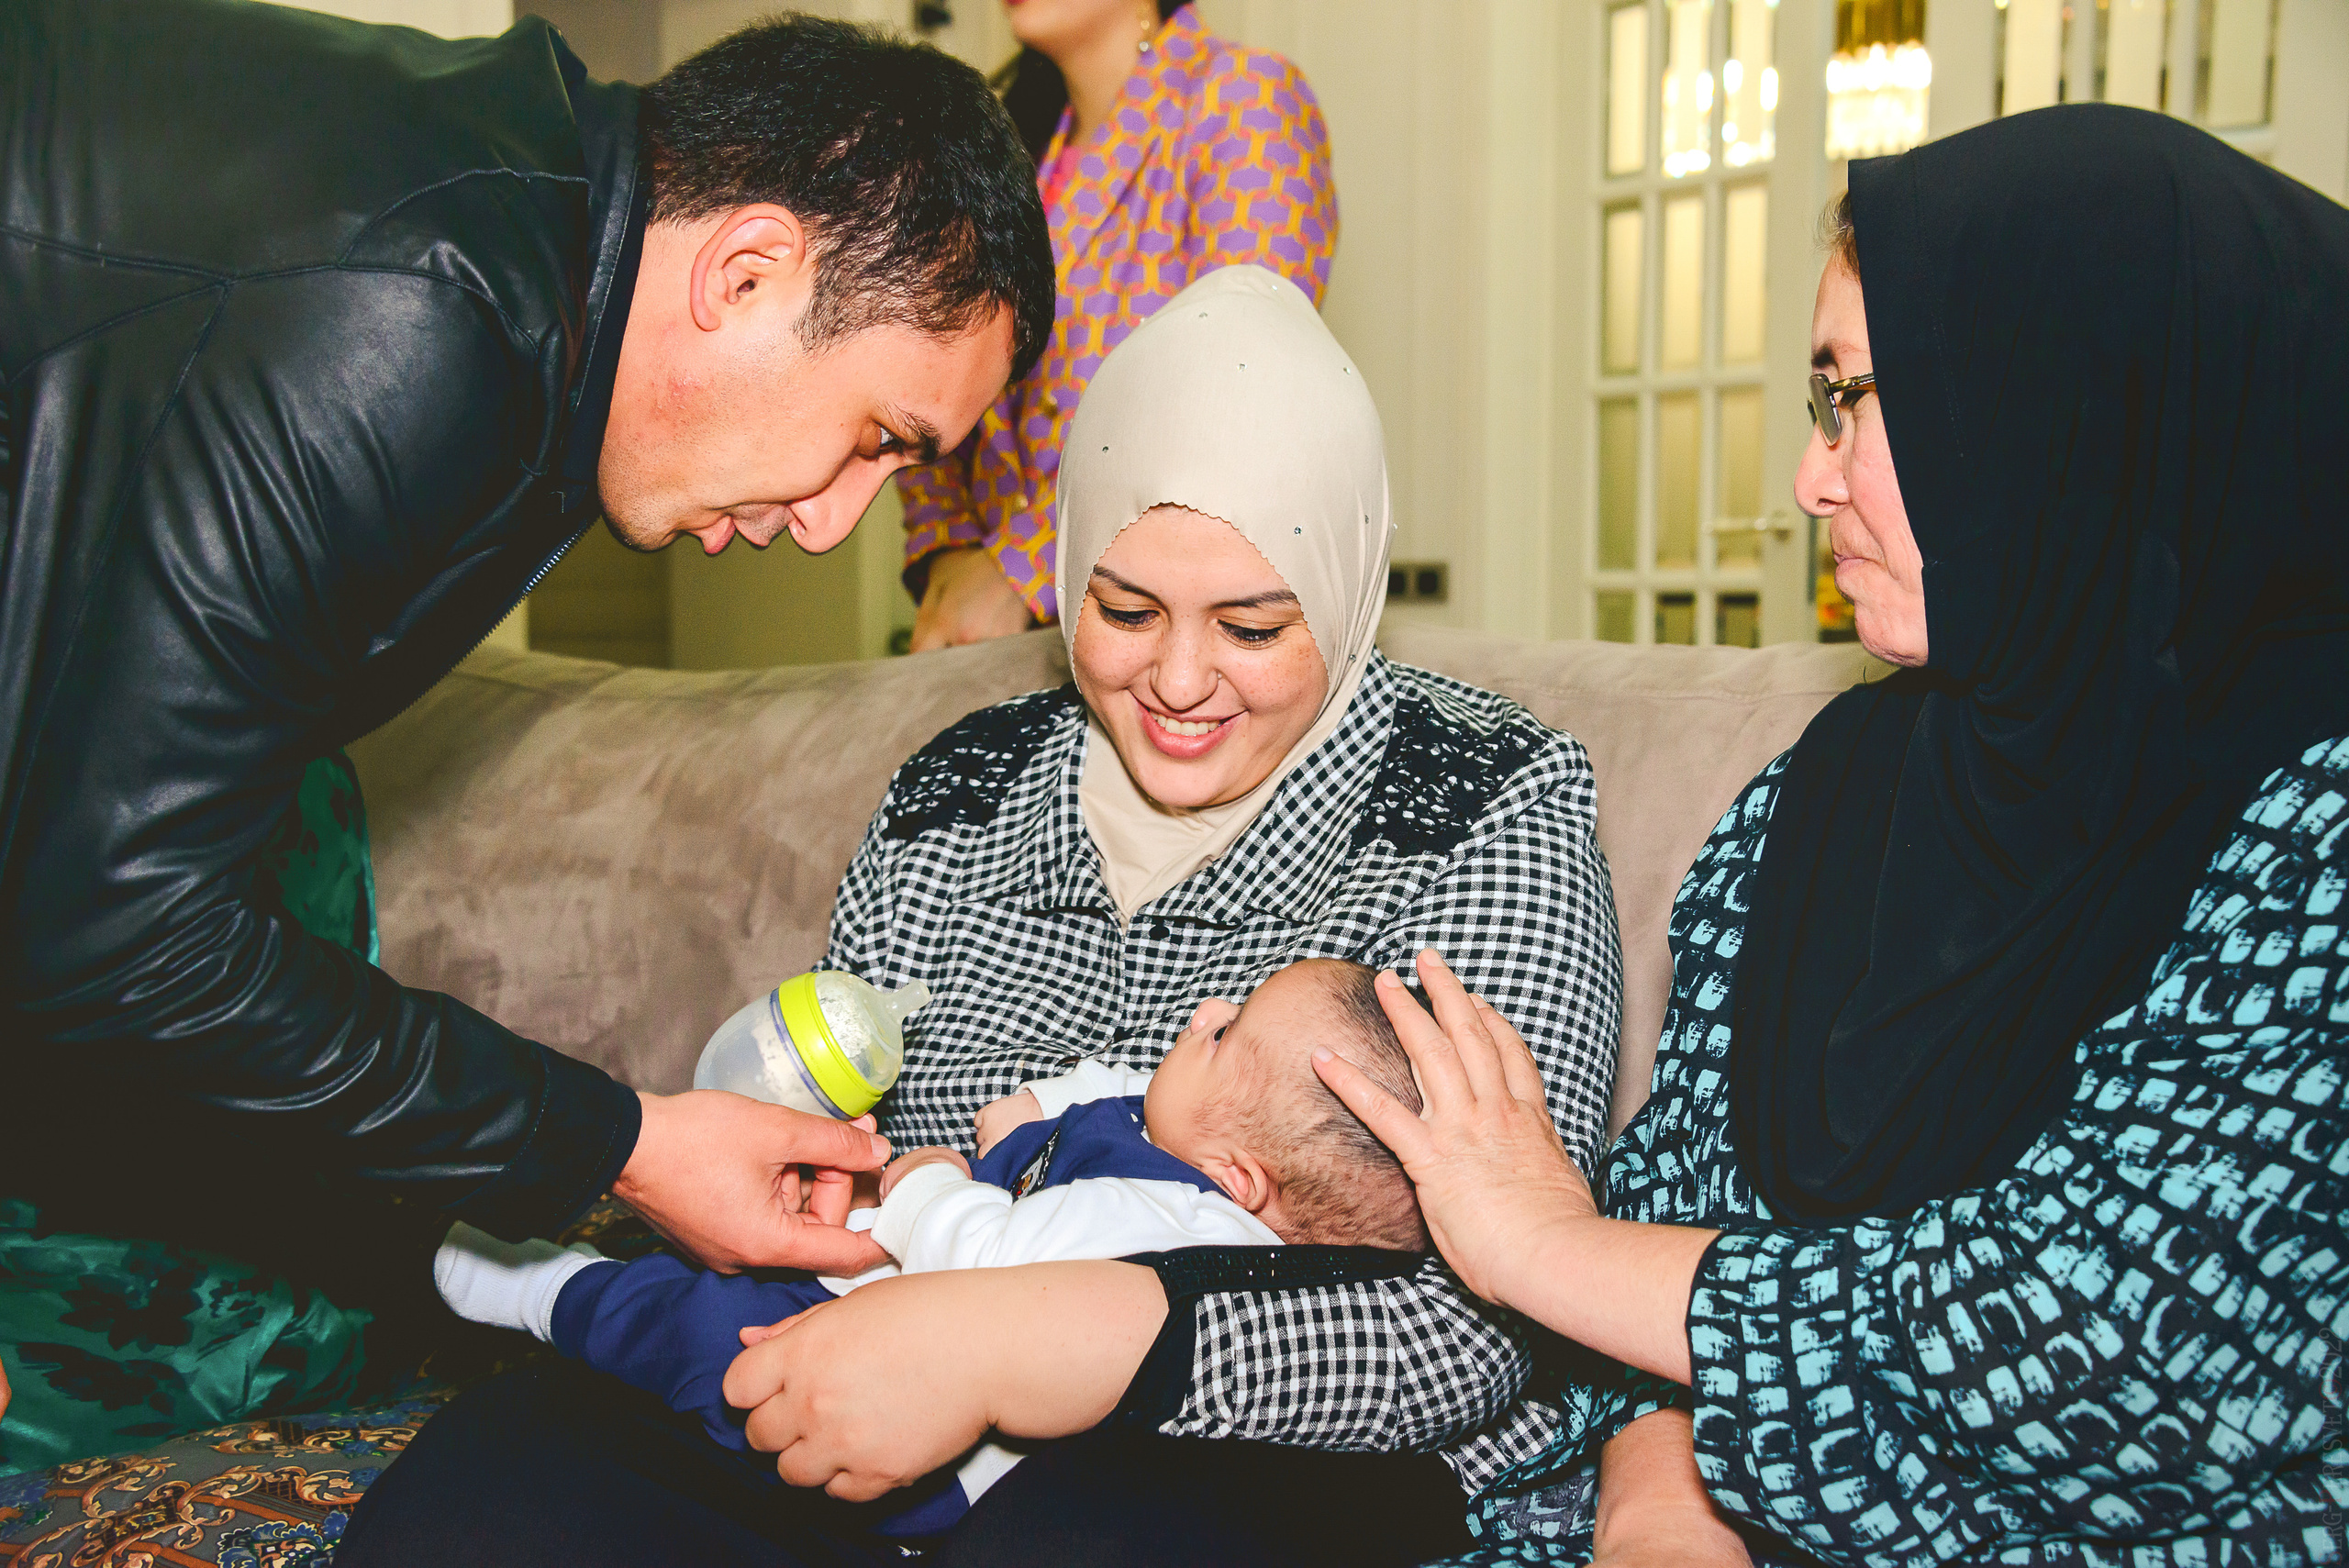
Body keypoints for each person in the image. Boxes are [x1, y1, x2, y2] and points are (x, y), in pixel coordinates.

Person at [338, 264, 1622, 1566]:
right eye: (1122, 611)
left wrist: (1030, 1343)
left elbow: (1492, 1312)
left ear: (1345, 591)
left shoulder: (1482, 801)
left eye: (1251, 626)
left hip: (1267, 1448)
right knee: (485, 1501)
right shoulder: (967, 787)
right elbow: (844, 1160)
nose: (1177, 680)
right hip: (875, 1362)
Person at [0, 2, 1052, 1475]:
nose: (832, 526)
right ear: (747, 271)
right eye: (878, 437)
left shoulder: (537, 243)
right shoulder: (422, 318)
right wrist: (631, 1142)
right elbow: (109, 936)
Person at [1311, 106, 2349, 1566]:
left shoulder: (2315, 836)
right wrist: (1657, 1498)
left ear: (2082, 416)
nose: (1812, 481)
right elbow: (1673, 1202)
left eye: (1864, 401)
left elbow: (2101, 1336)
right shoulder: (1832, 783)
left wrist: (1547, 1246)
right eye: (1824, 403)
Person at [429, 958, 1431, 1541]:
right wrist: (1042, 1103)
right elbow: (1125, 1079)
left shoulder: (1159, 1221)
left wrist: (920, 1189)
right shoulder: (1191, 1141)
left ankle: (549, 1293)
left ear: (1238, 1182)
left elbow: (986, 1268)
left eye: (1227, 1031)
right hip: (892, 1303)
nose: (1203, 1012)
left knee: (703, 1329)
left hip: (917, 1432)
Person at [901, 0, 1336, 650]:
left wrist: (1019, 569)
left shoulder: (1245, 101)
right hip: (990, 645)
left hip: (1178, 640)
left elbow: (1235, 389)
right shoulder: (1008, 144)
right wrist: (950, 559)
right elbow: (916, 362)